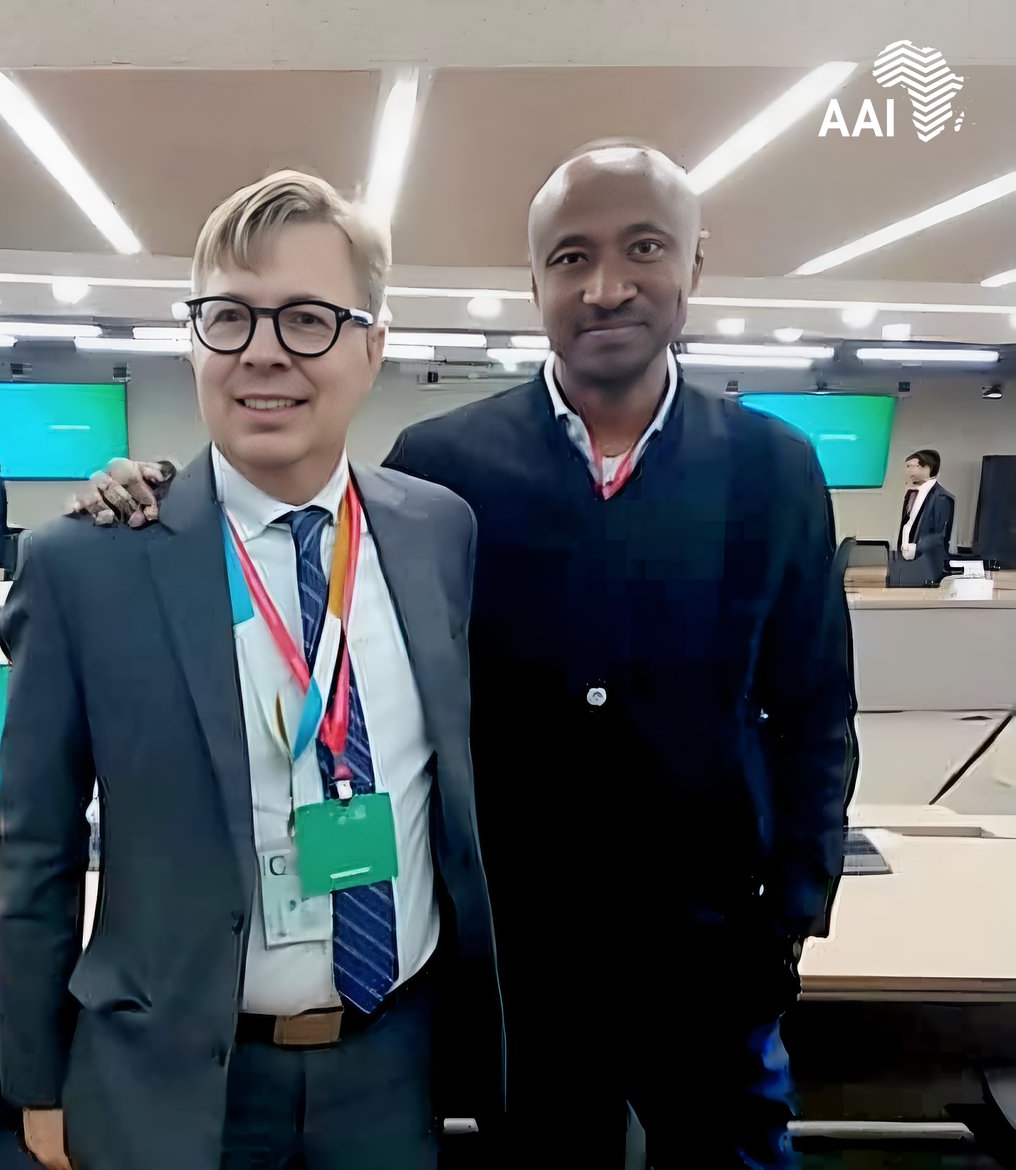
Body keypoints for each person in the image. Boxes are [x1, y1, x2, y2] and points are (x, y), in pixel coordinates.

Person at [80, 141, 857, 1167]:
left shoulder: (774, 470)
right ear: (534, 279)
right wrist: (144, 491)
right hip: (514, 966)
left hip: (711, 956)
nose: (607, 284)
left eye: (645, 249)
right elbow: (288, 535)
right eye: (571, 258)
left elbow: (815, 714)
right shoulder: (441, 472)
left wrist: (789, 929)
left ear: (697, 265)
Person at [0, 170, 502, 1170]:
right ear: (193, 339)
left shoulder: (438, 531)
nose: (264, 352)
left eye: (309, 318)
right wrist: (37, 1080)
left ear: (373, 343)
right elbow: (34, 848)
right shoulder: (87, 564)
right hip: (173, 1080)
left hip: (391, 1067)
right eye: (229, 317)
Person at [890, 448, 955, 587]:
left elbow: (940, 535)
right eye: (908, 466)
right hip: (905, 560)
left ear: (929, 468)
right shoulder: (911, 493)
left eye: (916, 466)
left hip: (927, 564)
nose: (910, 471)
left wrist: (917, 547)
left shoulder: (941, 498)